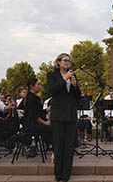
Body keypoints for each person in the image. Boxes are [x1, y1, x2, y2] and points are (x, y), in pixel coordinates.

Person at [47, 53, 81, 182]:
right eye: (65, 60)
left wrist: (75, 86)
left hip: (71, 113)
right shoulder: (52, 75)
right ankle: (58, 173)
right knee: (58, 144)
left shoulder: (73, 75)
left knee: (69, 145)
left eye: (69, 61)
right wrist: (64, 78)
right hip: (58, 114)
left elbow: (78, 96)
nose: (68, 63)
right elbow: (52, 90)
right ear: (58, 62)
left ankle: (66, 174)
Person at [24, 78, 53, 149]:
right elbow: (34, 116)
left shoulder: (34, 97)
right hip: (31, 125)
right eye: (38, 84)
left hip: (34, 122)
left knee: (53, 126)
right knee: (51, 128)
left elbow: (39, 112)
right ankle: (51, 146)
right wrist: (45, 123)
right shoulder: (31, 98)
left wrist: (48, 109)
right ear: (31, 86)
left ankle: (50, 145)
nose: (40, 86)